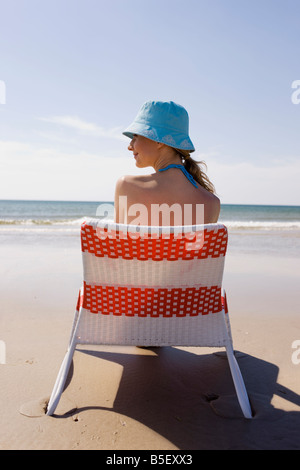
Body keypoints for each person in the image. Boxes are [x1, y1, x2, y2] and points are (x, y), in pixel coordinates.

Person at [114, 100, 220, 226]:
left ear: (159, 140)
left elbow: (119, 244)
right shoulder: (211, 202)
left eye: (136, 137)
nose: (130, 146)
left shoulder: (127, 186)